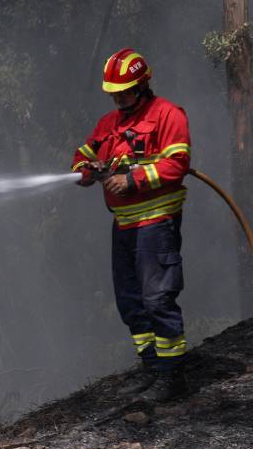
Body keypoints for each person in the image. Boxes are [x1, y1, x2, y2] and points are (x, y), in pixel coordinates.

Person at [73, 48, 192, 401]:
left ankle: (173, 377)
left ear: (142, 85)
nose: (118, 98)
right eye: (113, 93)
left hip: (156, 221)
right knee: (130, 300)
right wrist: (85, 173)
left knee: (157, 298)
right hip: (123, 224)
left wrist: (133, 180)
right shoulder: (108, 125)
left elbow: (177, 164)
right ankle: (151, 368)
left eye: (124, 92)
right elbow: (83, 156)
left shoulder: (168, 115)